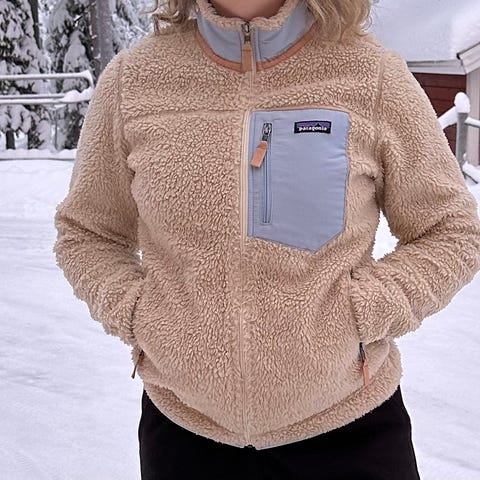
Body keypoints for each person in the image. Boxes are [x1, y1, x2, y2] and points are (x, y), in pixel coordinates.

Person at [52, 0, 480, 478]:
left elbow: (451, 230)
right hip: (184, 438)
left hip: (351, 433)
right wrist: (140, 314)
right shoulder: (134, 82)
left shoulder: (372, 77)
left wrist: (366, 311)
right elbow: (87, 232)